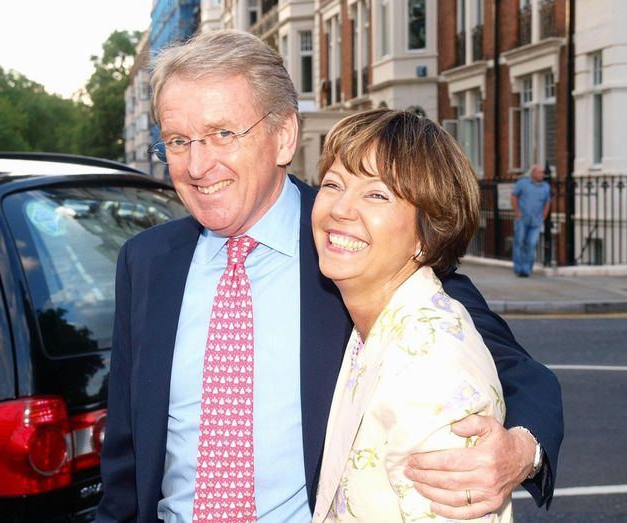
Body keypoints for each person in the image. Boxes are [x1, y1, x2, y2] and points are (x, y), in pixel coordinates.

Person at [97, 29, 563, 522]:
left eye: (222, 134)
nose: (196, 164)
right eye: (177, 140)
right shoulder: (145, 262)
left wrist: (522, 451)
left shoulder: (354, 246)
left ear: (283, 136)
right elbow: (126, 458)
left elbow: (512, 370)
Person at [311, 109, 512, 522]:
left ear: (427, 234)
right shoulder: (379, 325)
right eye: (333, 184)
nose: (341, 209)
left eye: (377, 194)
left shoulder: (429, 366)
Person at [510, 165, 551, 277]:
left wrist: (544, 216)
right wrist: (517, 211)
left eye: (542, 173)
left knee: (532, 244)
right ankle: (519, 268)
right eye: (539, 172)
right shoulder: (522, 183)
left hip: (536, 221)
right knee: (519, 242)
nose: (542, 175)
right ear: (533, 173)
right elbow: (514, 196)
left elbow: (547, 202)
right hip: (522, 219)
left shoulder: (546, 187)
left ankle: (526, 269)